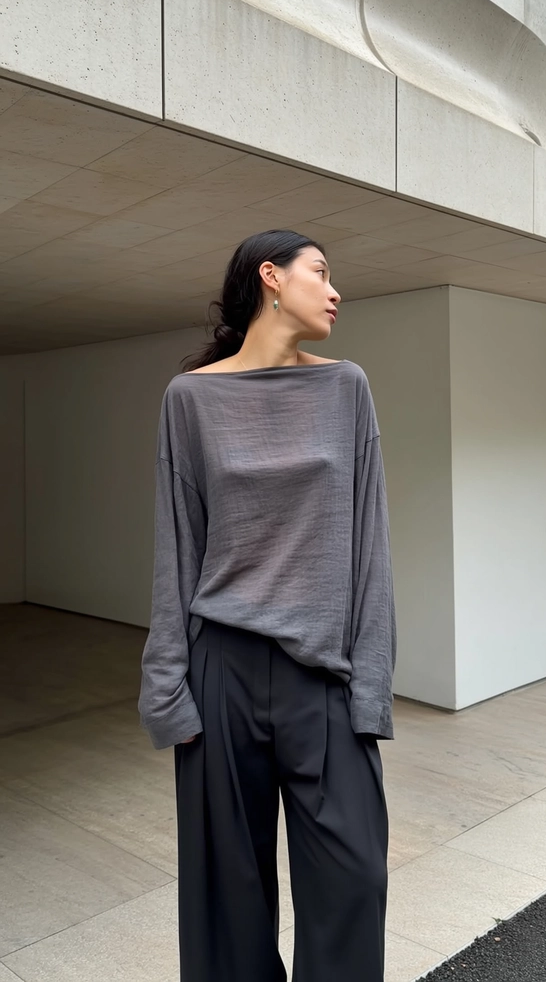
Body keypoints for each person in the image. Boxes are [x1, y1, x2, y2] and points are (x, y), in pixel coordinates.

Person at [138, 229, 397, 982]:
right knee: (228, 902)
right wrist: (167, 690)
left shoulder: (347, 387)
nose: (335, 291)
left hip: (324, 676)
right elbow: (177, 547)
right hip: (222, 672)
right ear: (271, 278)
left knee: (355, 881)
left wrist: (371, 688)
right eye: (321, 272)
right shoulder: (190, 398)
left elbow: (371, 544)